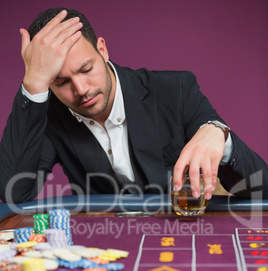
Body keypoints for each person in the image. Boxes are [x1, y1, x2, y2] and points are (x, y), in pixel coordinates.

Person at [0, 7, 267, 204]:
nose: (81, 90)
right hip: (104, 242)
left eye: (86, 68)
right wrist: (34, 84)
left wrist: (220, 136)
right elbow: (13, 193)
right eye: (60, 82)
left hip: (183, 235)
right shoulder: (47, 114)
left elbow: (261, 189)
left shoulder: (176, 90)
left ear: (102, 50)